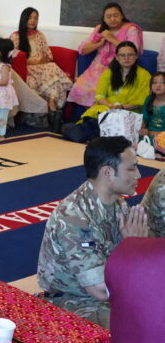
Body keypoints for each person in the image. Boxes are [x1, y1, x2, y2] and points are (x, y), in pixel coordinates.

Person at [37, 135, 147, 329]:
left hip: (111, 289)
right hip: (73, 300)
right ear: (107, 172)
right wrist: (132, 248)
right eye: (131, 168)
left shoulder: (117, 203)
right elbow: (101, 291)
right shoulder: (74, 215)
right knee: (138, 325)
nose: (138, 175)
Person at [63, 42, 150, 143]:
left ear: (136, 56)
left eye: (130, 55)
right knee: (75, 128)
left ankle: (94, 135)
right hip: (106, 111)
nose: (127, 58)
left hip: (127, 115)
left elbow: (141, 101)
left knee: (75, 131)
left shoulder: (144, 75)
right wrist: (110, 106)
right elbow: (100, 95)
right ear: (117, 57)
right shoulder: (109, 72)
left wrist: (121, 107)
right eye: (122, 55)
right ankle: (95, 134)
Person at [69, 3, 142, 108]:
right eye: (108, 16)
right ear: (104, 19)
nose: (112, 19)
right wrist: (99, 43)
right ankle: (92, 117)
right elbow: (82, 50)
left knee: (105, 92)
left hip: (119, 66)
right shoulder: (99, 29)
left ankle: (100, 118)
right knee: (80, 87)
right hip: (97, 67)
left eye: (116, 15)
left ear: (121, 15)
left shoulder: (131, 29)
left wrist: (110, 38)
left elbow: (132, 51)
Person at [10, 7, 73, 128]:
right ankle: (53, 111)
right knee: (54, 72)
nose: (33, 21)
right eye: (30, 18)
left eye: (35, 18)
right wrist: (32, 62)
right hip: (27, 69)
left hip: (43, 67)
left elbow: (48, 55)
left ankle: (51, 104)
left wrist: (42, 60)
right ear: (24, 19)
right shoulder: (15, 36)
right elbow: (14, 58)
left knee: (52, 68)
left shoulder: (40, 35)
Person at [140, 73, 165, 140]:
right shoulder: (149, 99)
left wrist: (150, 133)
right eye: (154, 82)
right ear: (151, 87)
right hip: (147, 134)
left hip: (161, 137)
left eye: (163, 82)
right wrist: (141, 126)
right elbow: (145, 118)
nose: (158, 85)